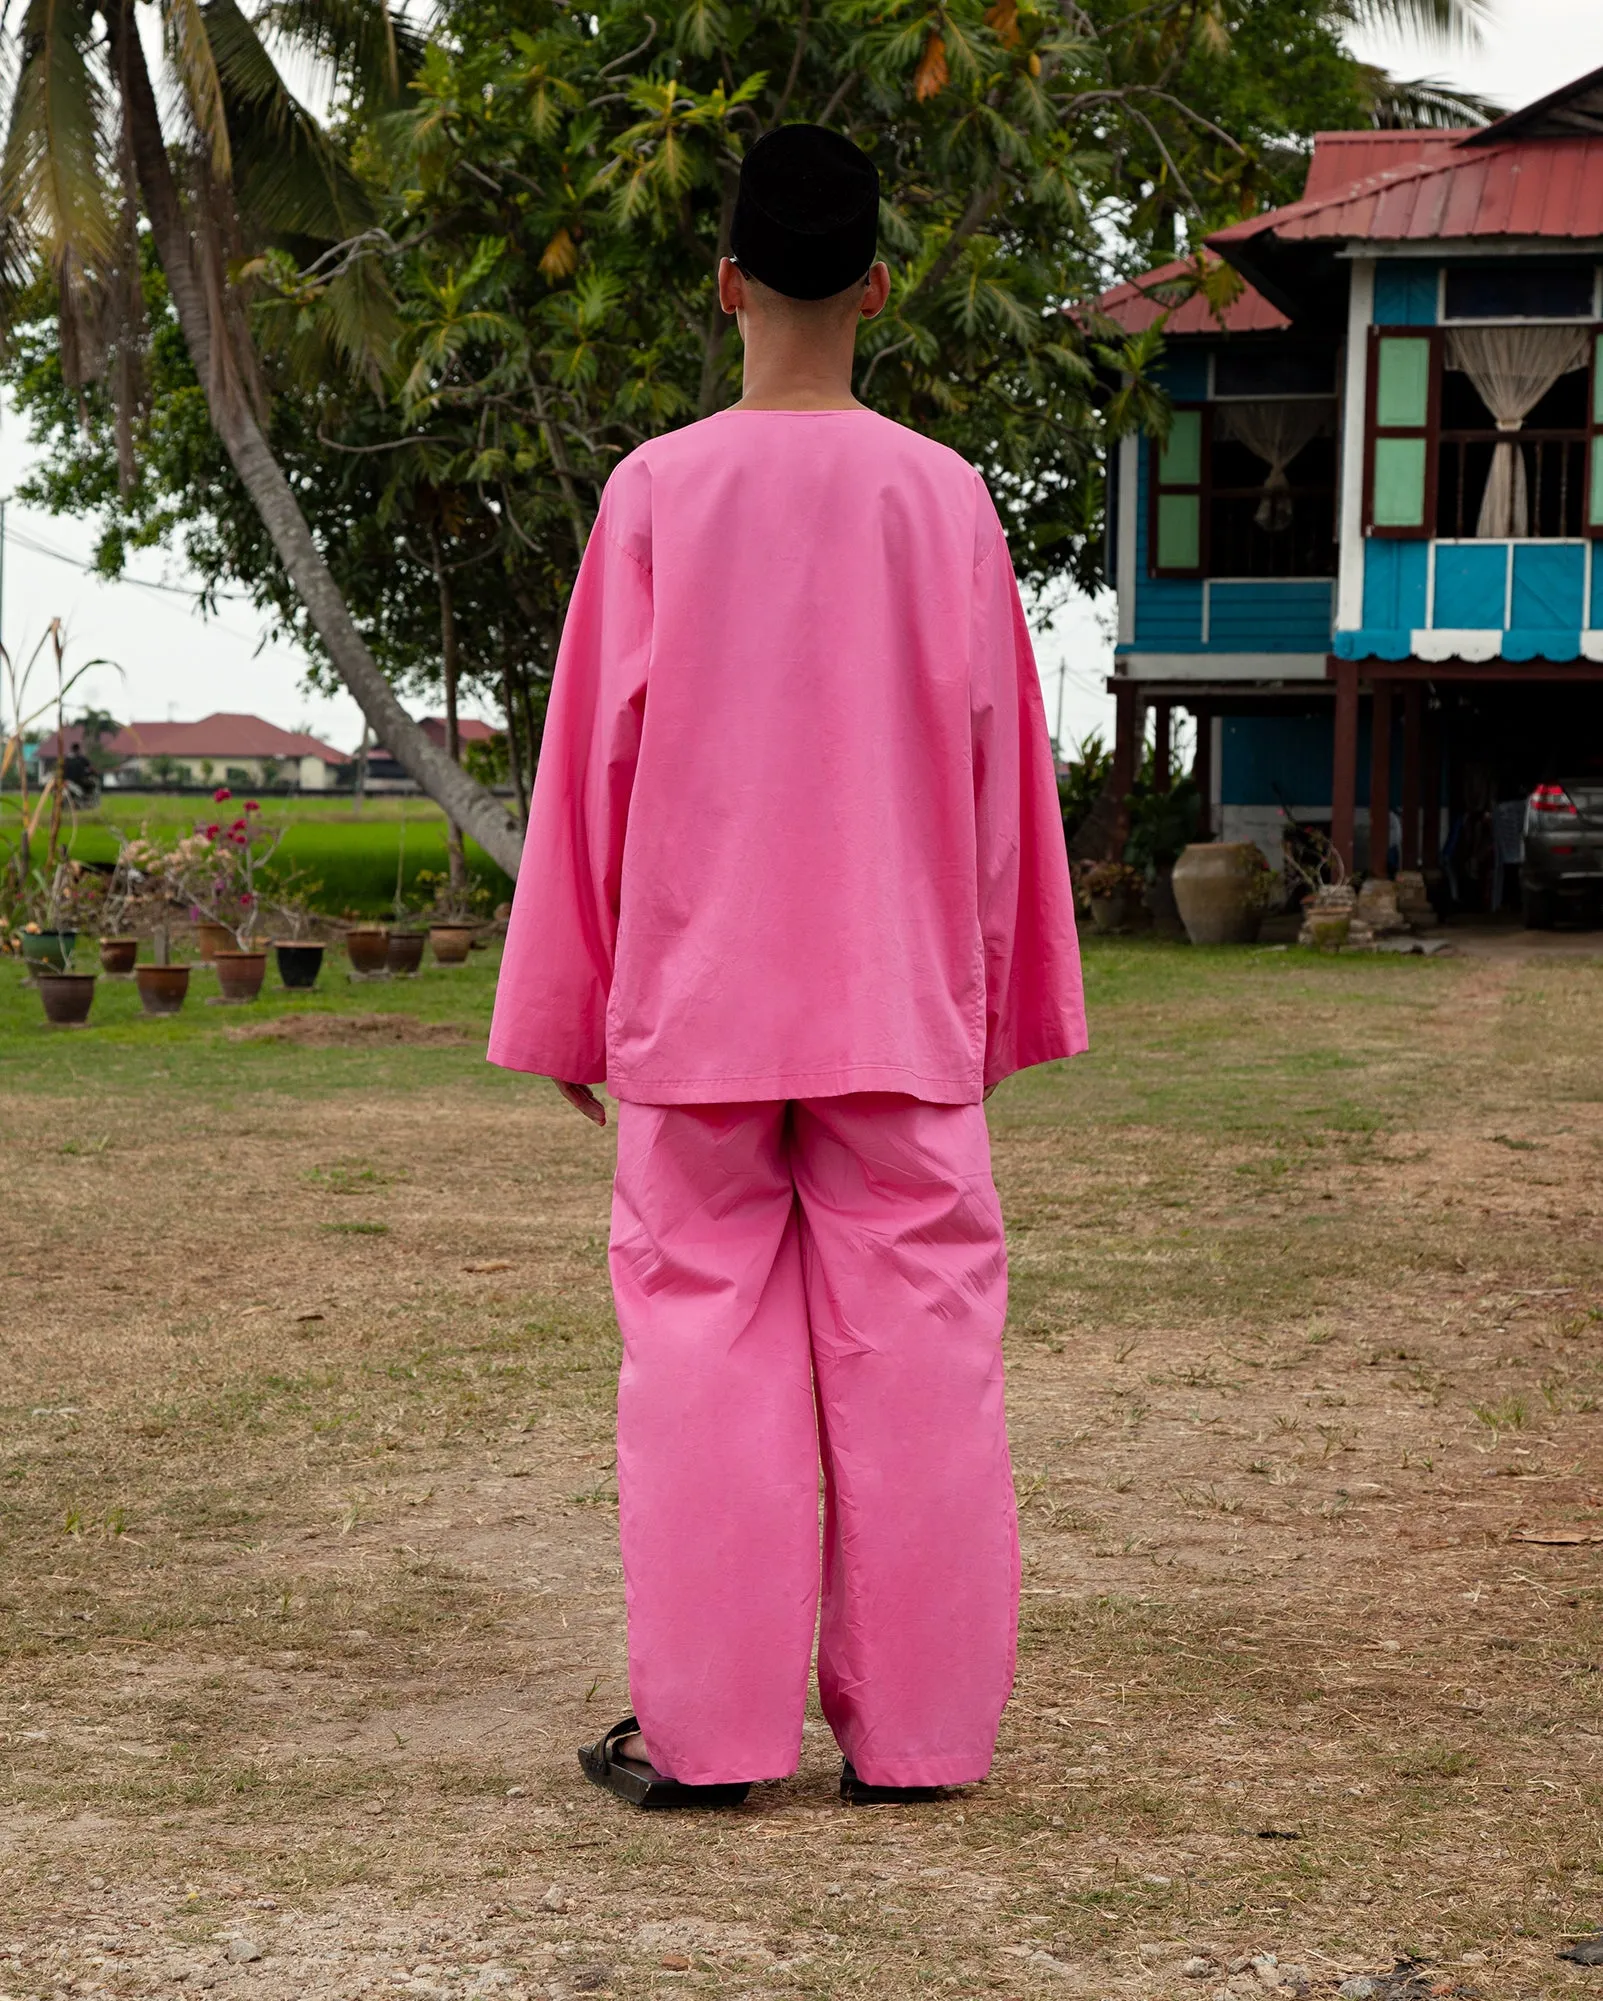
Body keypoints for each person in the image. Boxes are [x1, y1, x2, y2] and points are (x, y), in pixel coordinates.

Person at [488, 123, 1086, 1809]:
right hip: (896, 996)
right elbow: (997, 777)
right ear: (879, 289)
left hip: (694, 1004)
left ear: (727, 281)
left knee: (698, 1352)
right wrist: (991, 997)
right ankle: (921, 1744)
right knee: (925, 1359)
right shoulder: (945, 497)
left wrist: (564, 1003)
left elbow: (588, 769)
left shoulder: (659, 491)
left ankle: (714, 1742)